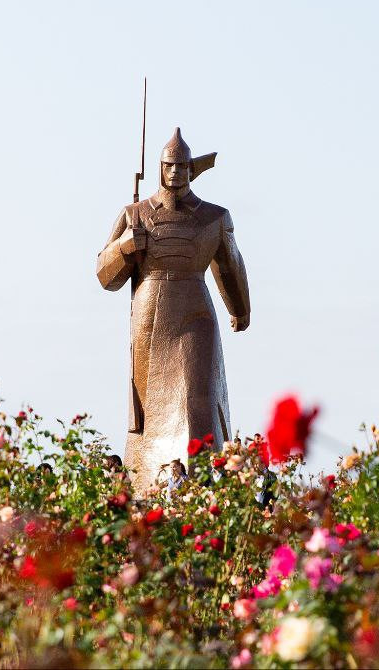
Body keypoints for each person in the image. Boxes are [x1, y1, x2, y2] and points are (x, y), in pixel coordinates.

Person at [97, 128, 251, 493]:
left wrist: (240, 309)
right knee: (150, 412)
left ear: (191, 169)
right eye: (169, 166)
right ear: (160, 168)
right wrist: (124, 247)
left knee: (198, 396)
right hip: (150, 313)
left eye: (181, 166)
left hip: (195, 310)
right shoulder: (134, 214)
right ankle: (149, 484)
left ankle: (202, 483)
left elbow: (230, 265)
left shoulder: (214, 217)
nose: (175, 173)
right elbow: (106, 276)